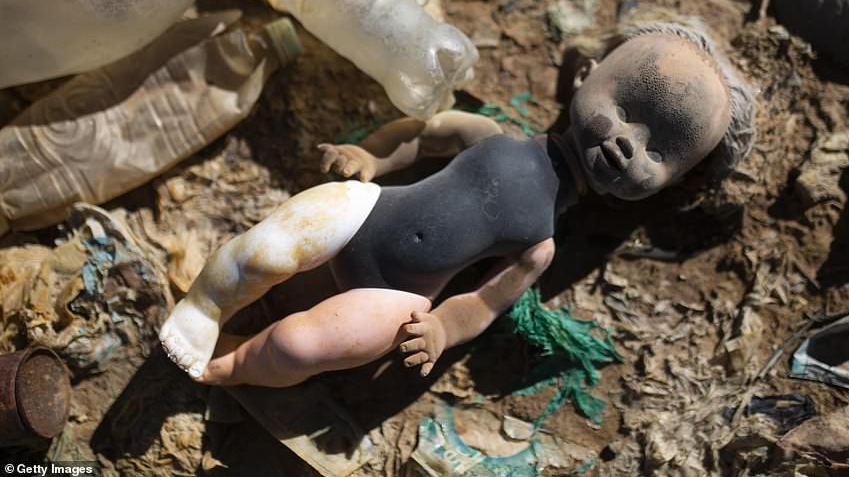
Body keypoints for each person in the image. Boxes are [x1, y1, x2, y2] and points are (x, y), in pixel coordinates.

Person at [159, 22, 755, 387]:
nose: (628, 142)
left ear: (669, 183)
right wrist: (370, 157)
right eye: (625, 109)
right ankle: (204, 307)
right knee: (266, 247)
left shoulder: (539, 245)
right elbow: (424, 132)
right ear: (588, 75)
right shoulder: (490, 136)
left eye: (660, 151)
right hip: (366, 212)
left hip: (396, 300)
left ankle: (230, 369)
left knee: (300, 347)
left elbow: (485, 301)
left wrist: (441, 328)